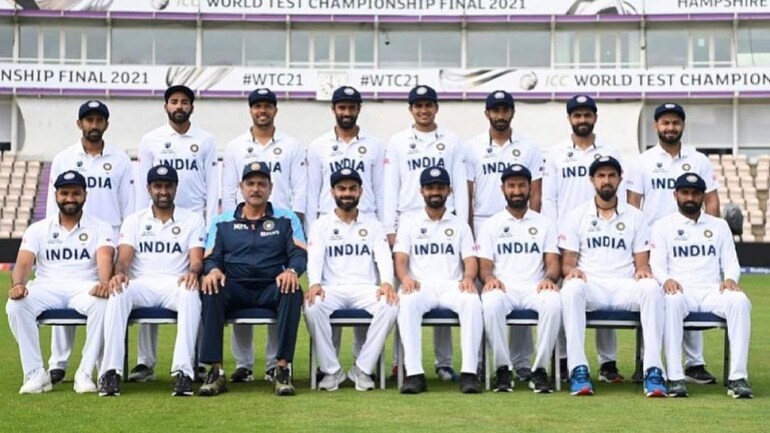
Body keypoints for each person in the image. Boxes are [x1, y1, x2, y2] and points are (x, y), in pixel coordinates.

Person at [627, 102, 720, 385]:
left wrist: (709, 232)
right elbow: (633, 204)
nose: (670, 127)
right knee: (651, 299)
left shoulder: (699, 160)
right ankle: (646, 361)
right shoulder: (642, 161)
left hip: (690, 239)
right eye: (665, 123)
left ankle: (694, 364)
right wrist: (636, 248)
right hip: (653, 242)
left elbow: (712, 199)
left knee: (687, 291)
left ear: (683, 126)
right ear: (655, 126)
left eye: (675, 123)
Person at [558, 156, 667, 397]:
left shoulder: (636, 217)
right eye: (601, 175)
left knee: (651, 288)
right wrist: (571, 272)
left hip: (624, 286)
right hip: (592, 285)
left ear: (620, 178)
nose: (606, 180)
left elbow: (642, 262)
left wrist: (643, 271)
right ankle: (578, 370)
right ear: (592, 179)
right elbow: (567, 263)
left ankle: (653, 370)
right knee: (571, 288)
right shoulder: (576, 216)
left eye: (611, 175)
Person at [133, 85, 218, 383]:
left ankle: (195, 360)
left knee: (194, 290)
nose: (179, 106)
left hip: (194, 225)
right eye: (174, 101)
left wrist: (211, 227)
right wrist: (140, 223)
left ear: (192, 107)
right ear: (166, 106)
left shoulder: (205, 140)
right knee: (148, 279)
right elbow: (141, 186)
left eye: (184, 102)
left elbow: (212, 185)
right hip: (156, 222)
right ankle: (145, 362)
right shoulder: (150, 140)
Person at [198, 161, 306, 397]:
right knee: (211, 288)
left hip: (272, 286)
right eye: (250, 183)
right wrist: (213, 270)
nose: (256, 189)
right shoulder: (221, 221)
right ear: (241, 187)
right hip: (235, 286)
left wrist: (291, 271)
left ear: (270, 188)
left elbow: (299, 254)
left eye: (261, 184)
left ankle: (281, 369)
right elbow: (211, 257)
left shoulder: (287, 219)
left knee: (292, 290)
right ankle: (215, 371)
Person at [45, 100, 134, 385]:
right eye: (89, 120)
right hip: (71, 236)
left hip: (108, 240)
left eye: (99, 120)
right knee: (63, 290)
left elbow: (128, 205)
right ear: (79, 123)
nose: (94, 125)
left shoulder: (120, 159)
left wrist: (125, 243)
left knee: (106, 300)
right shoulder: (63, 158)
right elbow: (52, 206)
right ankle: (58, 363)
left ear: (106, 124)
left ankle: (102, 364)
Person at [221, 88, 307, 384]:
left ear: (275, 110)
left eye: (267, 106)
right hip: (243, 225)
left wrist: (296, 225)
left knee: (283, 284)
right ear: (251, 110)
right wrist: (230, 225)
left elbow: (299, 189)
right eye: (257, 106)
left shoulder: (292, 145)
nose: (262, 111)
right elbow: (228, 191)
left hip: (281, 228)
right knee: (239, 279)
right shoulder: (235, 146)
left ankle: (274, 364)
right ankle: (243, 363)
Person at [98, 165, 206, 397]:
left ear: (176, 188)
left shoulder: (193, 219)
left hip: (175, 284)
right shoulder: (134, 220)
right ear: (149, 188)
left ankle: (184, 372)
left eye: (168, 186)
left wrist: (193, 272)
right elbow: (123, 259)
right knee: (117, 292)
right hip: (141, 284)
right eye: (158, 186)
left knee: (190, 292)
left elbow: (197, 260)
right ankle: (111, 372)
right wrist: (120, 273)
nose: (163, 191)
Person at [385, 85, 468, 382]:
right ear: (411, 109)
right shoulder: (397, 142)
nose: (423, 110)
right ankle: (403, 362)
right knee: (407, 295)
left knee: (446, 287)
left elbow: (459, 185)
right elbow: (390, 186)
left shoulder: (452, 141)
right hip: (408, 221)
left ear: (436, 108)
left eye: (428, 105)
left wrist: (461, 225)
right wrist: (390, 229)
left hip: (446, 220)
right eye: (418, 106)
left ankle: (444, 363)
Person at [542, 94, 625, 383]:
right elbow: (549, 198)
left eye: (587, 115)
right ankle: (565, 360)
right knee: (566, 297)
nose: (582, 120)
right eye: (577, 115)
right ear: (569, 119)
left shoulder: (610, 151)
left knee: (607, 291)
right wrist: (552, 239)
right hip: (566, 237)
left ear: (595, 118)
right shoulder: (556, 153)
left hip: (602, 229)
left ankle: (607, 362)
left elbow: (619, 193)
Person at [6, 170, 113, 394]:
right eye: (64, 193)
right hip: (47, 287)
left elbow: (104, 257)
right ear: (56, 195)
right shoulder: (38, 229)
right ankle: (36, 372)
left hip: (84, 287)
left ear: (85, 195)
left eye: (75, 193)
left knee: (104, 303)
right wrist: (18, 285)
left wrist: (104, 282)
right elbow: (23, 263)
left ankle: (85, 372)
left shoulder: (100, 226)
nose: (70, 198)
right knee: (15, 305)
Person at [465, 90, 545, 383]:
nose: (500, 115)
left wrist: (530, 224)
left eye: (505, 110)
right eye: (495, 110)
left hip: (521, 221)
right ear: (487, 113)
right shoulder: (472, 147)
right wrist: (468, 232)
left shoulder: (529, 146)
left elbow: (536, 192)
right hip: (483, 224)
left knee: (522, 284)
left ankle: (521, 361)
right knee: (484, 297)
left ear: (512, 112)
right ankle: (481, 362)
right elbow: (468, 193)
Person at [650, 173, 753, 399]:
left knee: (740, 301)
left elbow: (731, 262)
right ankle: (675, 377)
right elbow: (656, 264)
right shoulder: (662, 226)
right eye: (685, 192)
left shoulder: (719, 226)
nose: (690, 197)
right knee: (672, 300)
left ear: (703, 196)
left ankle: (737, 378)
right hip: (680, 290)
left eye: (695, 193)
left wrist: (730, 279)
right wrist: (666, 280)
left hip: (710, 291)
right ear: (675, 195)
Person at [305, 85, 386, 371]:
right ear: (334, 109)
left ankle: (365, 366)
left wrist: (385, 228)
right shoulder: (318, 146)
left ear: (358, 109)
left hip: (367, 222)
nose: (347, 112)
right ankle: (328, 367)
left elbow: (380, 189)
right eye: (342, 107)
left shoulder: (375, 145)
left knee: (370, 293)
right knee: (326, 294)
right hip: (327, 225)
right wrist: (310, 233)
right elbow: (312, 192)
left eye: (352, 107)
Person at [304, 168, 398, 391]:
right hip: (331, 288)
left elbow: (384, 257)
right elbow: (315, 258)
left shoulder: (373, 225)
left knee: (391, 305)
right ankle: (331, 370)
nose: (347, 193)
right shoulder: (320, 225)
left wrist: (386, 282)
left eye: (352, 189)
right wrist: (314, 283)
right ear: (332, 192)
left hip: (365, 288)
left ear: (360, 192)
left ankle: (362, 368)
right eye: (342, 188)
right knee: (312, 306)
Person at [394, 166, 482, 394]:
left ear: (449, 191)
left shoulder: (460, 225)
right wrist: (405, 278)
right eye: (430, 187)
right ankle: (414, 374)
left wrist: (468, 278)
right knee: (407, 302)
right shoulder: (409, 223)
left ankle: (470, 373)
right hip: (421, 285)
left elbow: (470, 260)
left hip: (452, 285)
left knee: (472, 302)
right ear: (421, 191)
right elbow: (400, 259)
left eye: (440, 187)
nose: (435, 192)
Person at [479, 164, 561, 393]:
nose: (516, 191)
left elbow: (553, 262)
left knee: (554, 303)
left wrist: (549, 278)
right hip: (504, 288)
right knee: (491, 302)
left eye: (521, 186)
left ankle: (540, 370)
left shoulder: (545, 223)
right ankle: (502, 369)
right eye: (511, 186)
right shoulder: (491, 224)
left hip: (535, 287)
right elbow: (484, 267)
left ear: (530, 188)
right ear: (503, 189)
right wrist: (489, 278)